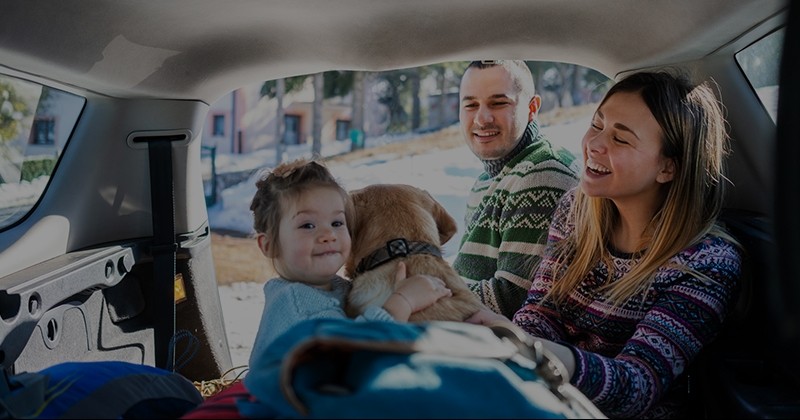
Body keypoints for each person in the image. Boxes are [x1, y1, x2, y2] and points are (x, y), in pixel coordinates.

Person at [467, 70, 743, 418]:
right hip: (547, 400)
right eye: (597, 125)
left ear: (668, 167)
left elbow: (636, 387)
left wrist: (531, 350)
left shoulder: (706, 263)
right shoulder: (575, 210)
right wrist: (507, 340)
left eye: (621, 139)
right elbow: (541, 311)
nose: (594, 145)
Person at [246, 158, 452, 361]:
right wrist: (403, 302)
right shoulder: (295, 300)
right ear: (269, 245)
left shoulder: (337, 288)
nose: (329, 234)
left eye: (337, 222)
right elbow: (350, 357)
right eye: (308, 225)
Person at [453, 60, 580, 319]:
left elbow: (511, 298)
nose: (481, 118)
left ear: (532, 108)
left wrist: (425, 292)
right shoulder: (488, 178)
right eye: (470, 105)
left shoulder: (543, 174)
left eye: (499, 103)